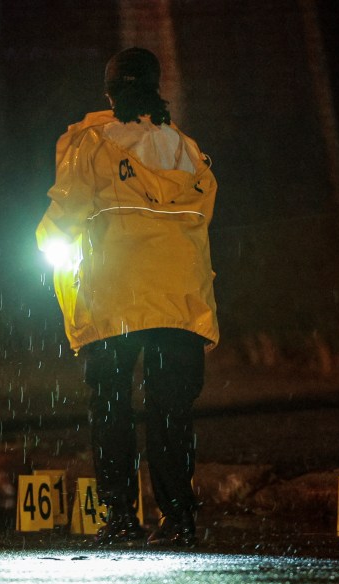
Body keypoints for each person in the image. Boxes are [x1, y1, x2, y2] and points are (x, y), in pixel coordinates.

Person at [36, 48, 218, 547]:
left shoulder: (90, 143)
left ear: (110, 92)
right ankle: (178, 519)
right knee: (170, 412)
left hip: (116, 294)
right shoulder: (186, 148)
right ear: (157, 89)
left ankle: (120, 519)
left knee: (112, 406)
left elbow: (66, 212)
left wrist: (42, 243)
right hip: (180, 296)